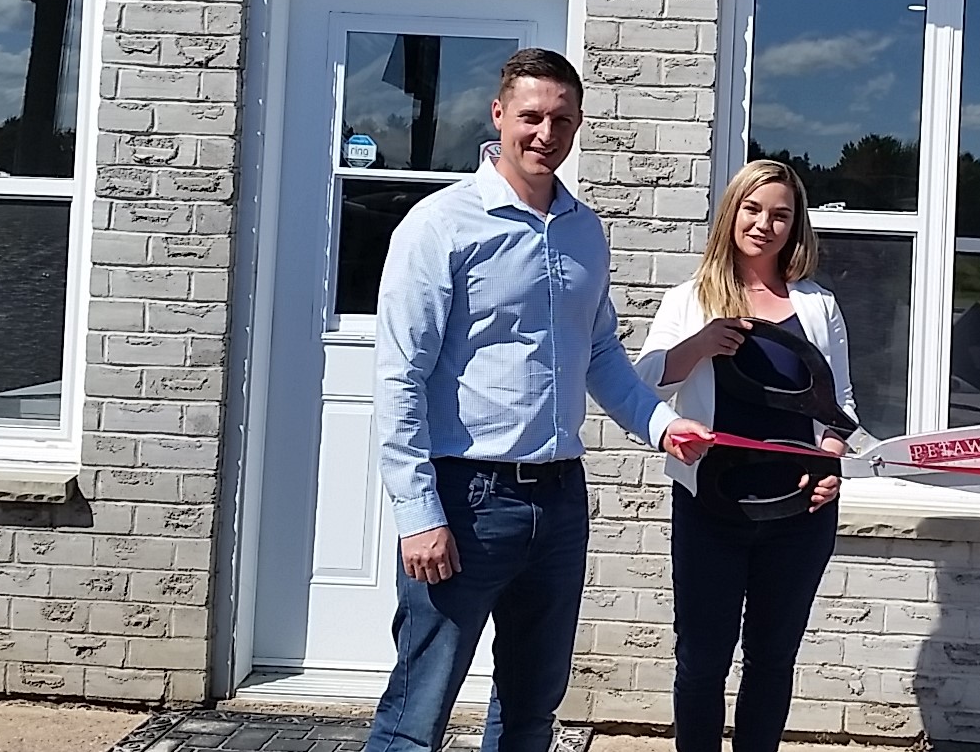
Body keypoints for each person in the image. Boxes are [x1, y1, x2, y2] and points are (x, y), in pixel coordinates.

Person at [366, 48, 712, 752]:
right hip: (466, 499)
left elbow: (602, 355)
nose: (544, 133)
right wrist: (417, 512)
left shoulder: (584, 230)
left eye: (561, 118)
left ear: (577, 123)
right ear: (498, 115)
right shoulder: (440, 227)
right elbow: (399, 376)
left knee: (530, 711)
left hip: (558, 503)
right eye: (530, 115)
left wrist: (663, 424)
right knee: (416, 713)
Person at [632, 159, 857, 752]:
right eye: (754, 210)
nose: (765, 224)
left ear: (796, 224)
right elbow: (645, 384)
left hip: (800, 513)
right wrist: (698, 345)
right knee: (702, 661)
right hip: (711, 507)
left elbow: (842, 406)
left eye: (781, 214)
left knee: (772, 659)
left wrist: (830, 459)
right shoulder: (691, 298)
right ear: (732, 213)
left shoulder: (818, 306)